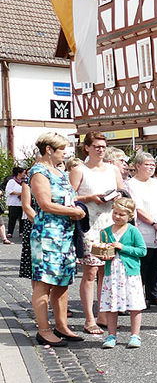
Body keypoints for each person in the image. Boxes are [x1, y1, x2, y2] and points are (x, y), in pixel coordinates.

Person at [29, 133, 86, 346]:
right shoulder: (39, 172)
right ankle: (43, 329)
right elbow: (45, 204)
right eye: (62, 149)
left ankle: (61, 326)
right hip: (48, 235)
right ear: (49, 149)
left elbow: (68, 198)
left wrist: (82, 203)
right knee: (44, 284)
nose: (65, 153)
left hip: (65, 234)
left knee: (62, 283)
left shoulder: (60, 172)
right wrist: (75, 213)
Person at [71, 132, 125, 335]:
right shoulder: (79, 169)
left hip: (110, 223)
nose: (100, 150)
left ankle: (103, 314)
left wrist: (117, 195)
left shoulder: (112, 169)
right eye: (96, 146)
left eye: (103, 146)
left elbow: (122, 192)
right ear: (87, 148)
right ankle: (89, 319)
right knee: (91, 272)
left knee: (106, 271)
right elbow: (71, 196)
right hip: (89, 224)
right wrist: (91, 197)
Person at [98, 197, 147, 349]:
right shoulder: (105, 232)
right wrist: (103, 255)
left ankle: (135, 335)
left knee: (134, 304)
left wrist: (123, 247)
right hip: (111, 273)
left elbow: (142, 250)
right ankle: (111, 335)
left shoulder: (133, 231)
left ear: (129, 216)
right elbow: (102, 250)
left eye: (121, 214)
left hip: (129, 273)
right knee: (112, 305)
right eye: (115, 213)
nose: (117, 217)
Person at [127, 152, 157, 307]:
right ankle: (139, 296)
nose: (151, 167)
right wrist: (154, 223)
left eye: (153, 164)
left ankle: (154, 293)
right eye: (147, 164)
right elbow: (137, 208)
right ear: (138, 166)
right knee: (143, 264)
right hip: (145, 229)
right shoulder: (131, 184)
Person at [5, 166, 25, 240]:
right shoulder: (12, 181)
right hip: (13, 203)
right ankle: (10, 232)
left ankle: (21, 231)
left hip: (22, 203)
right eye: (23, 173)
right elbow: (9, 191)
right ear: (18, 173)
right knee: (12, 218)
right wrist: (20, 193)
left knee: (22, 218)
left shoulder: (23, 182)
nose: (24, 174)